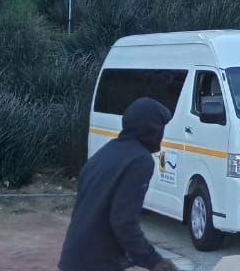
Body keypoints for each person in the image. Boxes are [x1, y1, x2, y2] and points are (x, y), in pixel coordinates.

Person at [58, 98, 177, 271]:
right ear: (152, 128)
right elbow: (123, 220)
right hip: (97, 263)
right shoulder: (140, 160)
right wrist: (154, 261)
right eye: (161, 126)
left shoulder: (105, 153)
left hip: (74, 257)